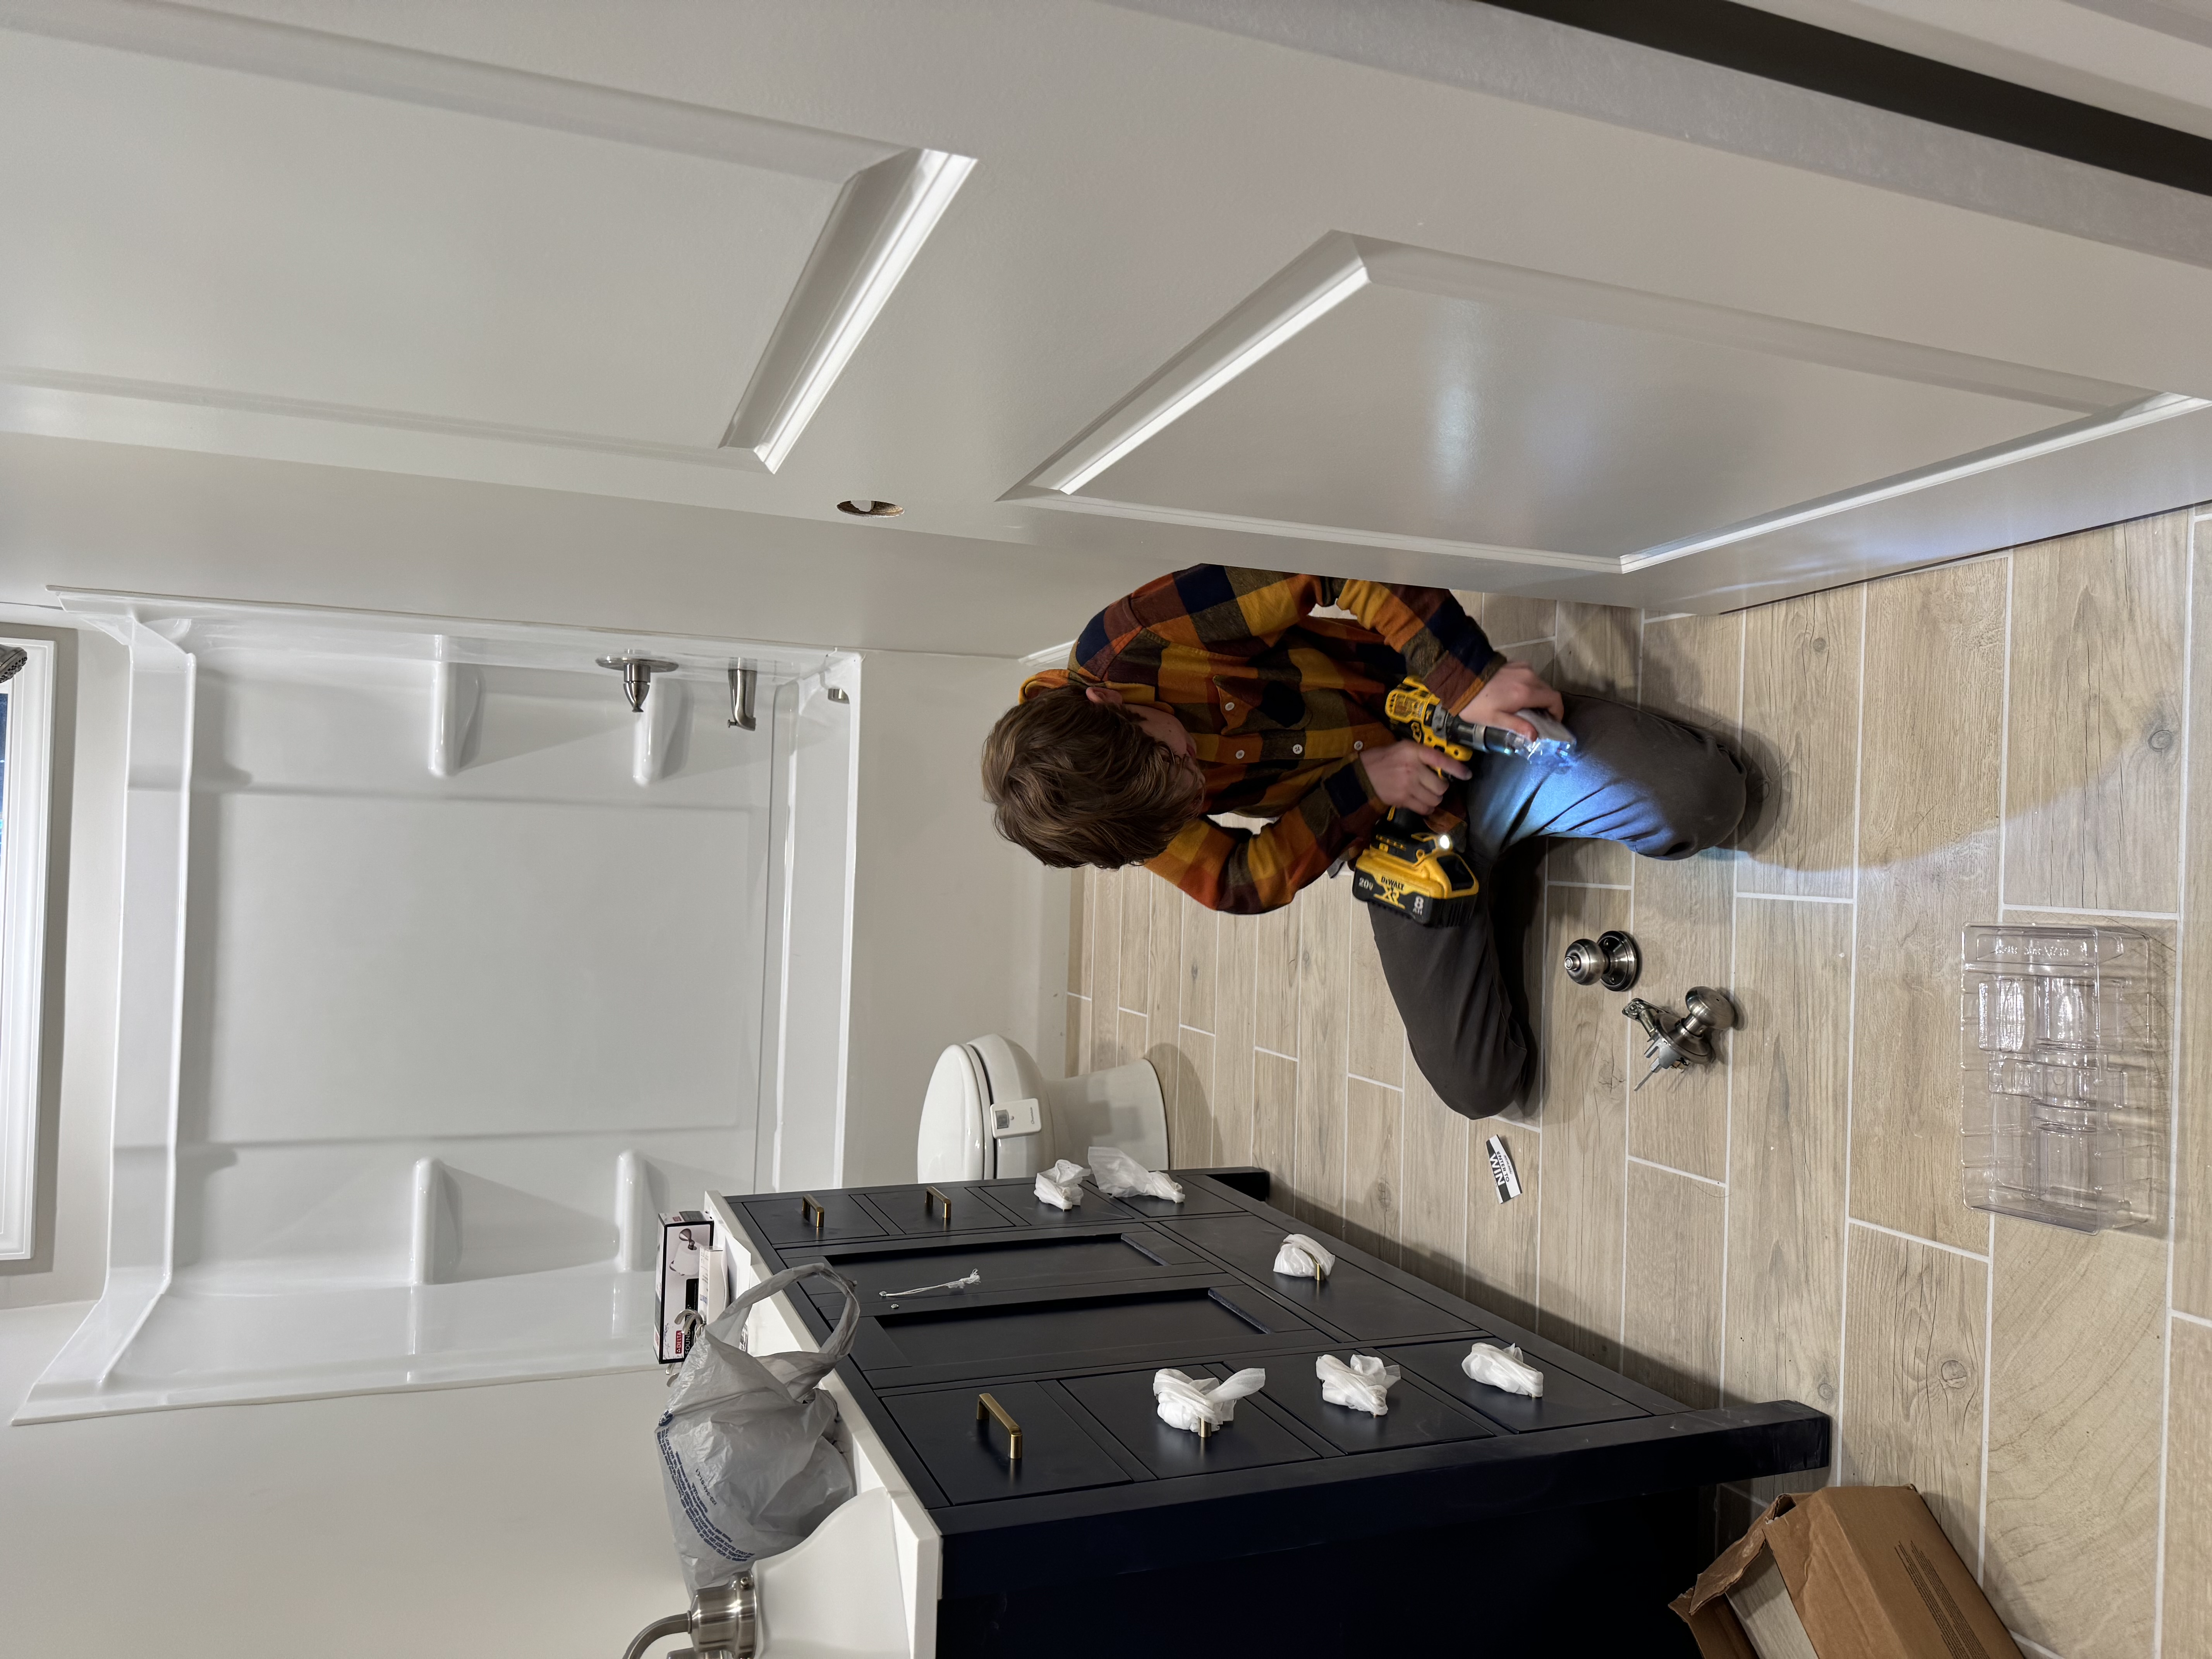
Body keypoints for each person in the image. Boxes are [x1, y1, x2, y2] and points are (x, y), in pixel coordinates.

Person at [981, 567, 1744, 1119]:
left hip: (1435, 711)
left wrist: (1467, 681)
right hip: (1391, 832)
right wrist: (1363, 788)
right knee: (1479, 1087)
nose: (1193, 777)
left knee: (1704, 800)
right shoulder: (1122, 807)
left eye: (1176, 758)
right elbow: (1237, 880)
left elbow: (1337, 559)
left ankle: (1500, 835)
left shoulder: (1137, 641)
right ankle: (1478, 869)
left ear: (1106, 701)